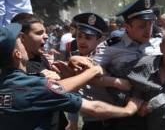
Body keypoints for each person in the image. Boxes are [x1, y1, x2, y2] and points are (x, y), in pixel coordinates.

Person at [0, 23, 143, 130]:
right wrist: (127, 110)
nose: (24, 43)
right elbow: (93, 108)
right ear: (17, 54)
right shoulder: (36, 86)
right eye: (21, 41)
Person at [68, 0, 162, 130]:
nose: (149, 30)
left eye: (150, 23)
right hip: (126, 118)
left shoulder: (159, 43)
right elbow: (89, 76)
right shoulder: (110, 48)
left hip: (156, 115)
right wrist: (117, 83)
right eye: (142, 26)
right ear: (128, 26)